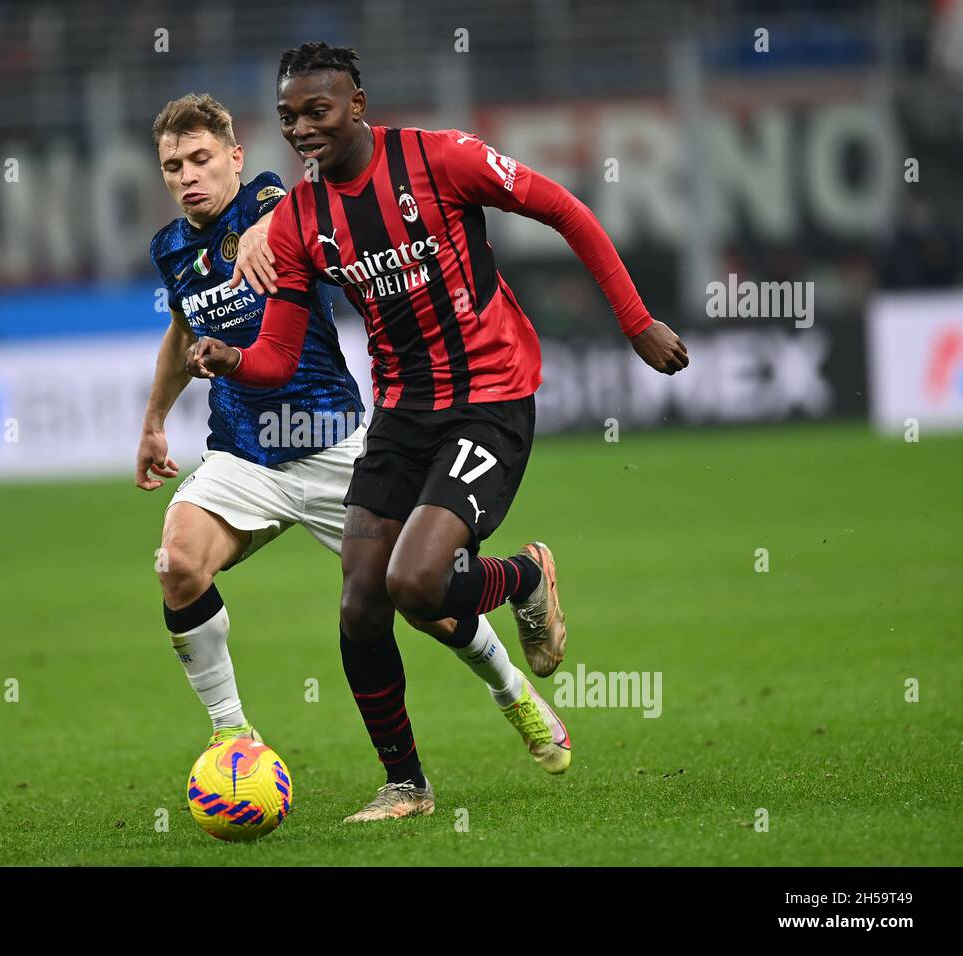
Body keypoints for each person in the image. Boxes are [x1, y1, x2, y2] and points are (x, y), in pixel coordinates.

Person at [188, 43, 689, 820]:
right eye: (288, 116)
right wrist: (232, 359)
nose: (302, 129)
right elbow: (280, 354)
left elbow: (563, 208)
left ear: (357, 103)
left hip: (491, 397)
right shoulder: (298, 221)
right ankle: (407, 786)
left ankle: (523, 578)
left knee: (417, 583)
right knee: (361, 602)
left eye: (317, 111)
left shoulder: (442, 158)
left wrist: (635, 320)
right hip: (401, 414)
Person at [141, 94, 540, 816]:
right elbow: (180, 329)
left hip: (333, 445)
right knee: (177, 563)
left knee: (424, 603)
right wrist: (153, 422)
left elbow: (292, 202)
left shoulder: (272, 200)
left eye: (201, 159)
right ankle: (234, 738)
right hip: (244, 456)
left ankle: (511, 687)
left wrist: (270, 224)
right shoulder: (171, 247)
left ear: (234, 157)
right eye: (173, 165)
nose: (187, 176)